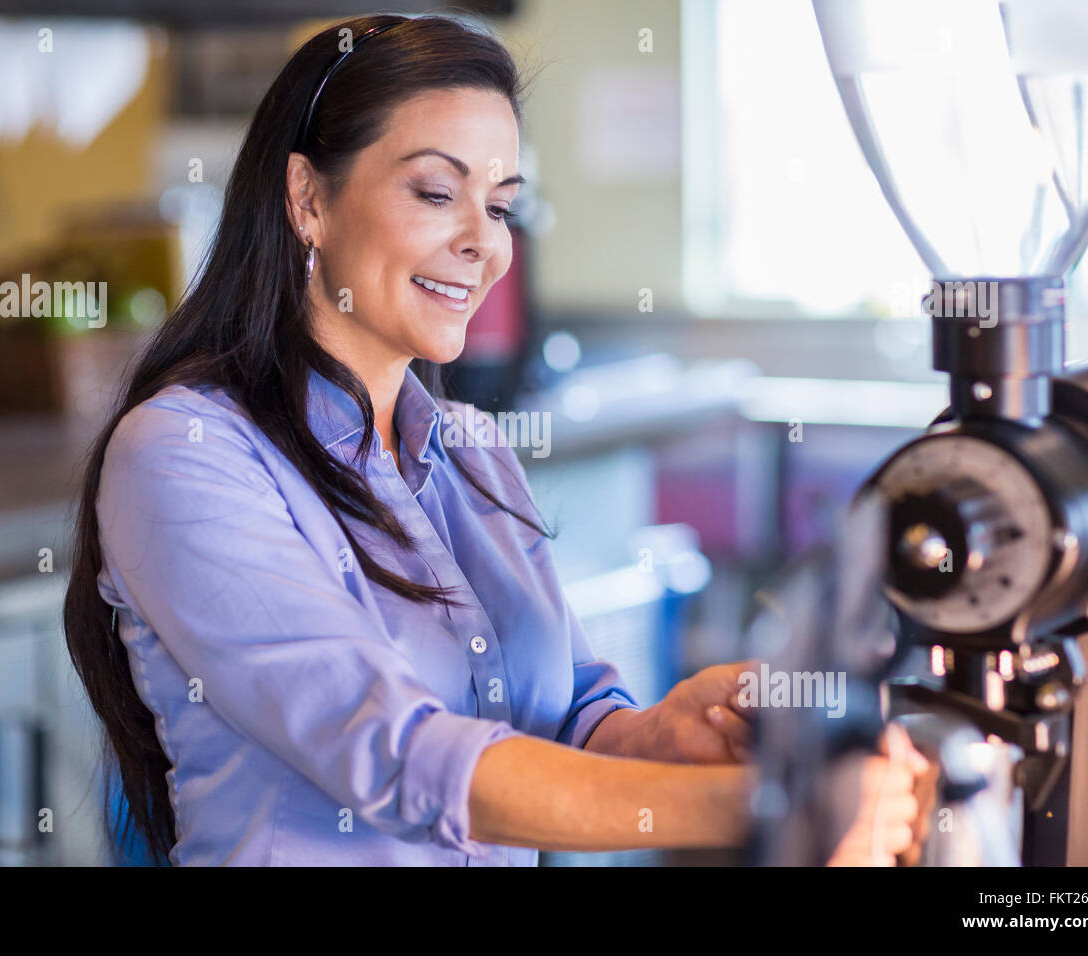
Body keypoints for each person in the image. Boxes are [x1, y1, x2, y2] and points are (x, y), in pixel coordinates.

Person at [63, 13, 931, 866]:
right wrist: (769, 802)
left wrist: (659, 733)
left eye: (502, 205)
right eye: (437, 194)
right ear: (308, 199)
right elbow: (399, 752)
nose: (484, 243)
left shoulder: (470, 450)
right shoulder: (184, 455)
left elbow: (563, 723)